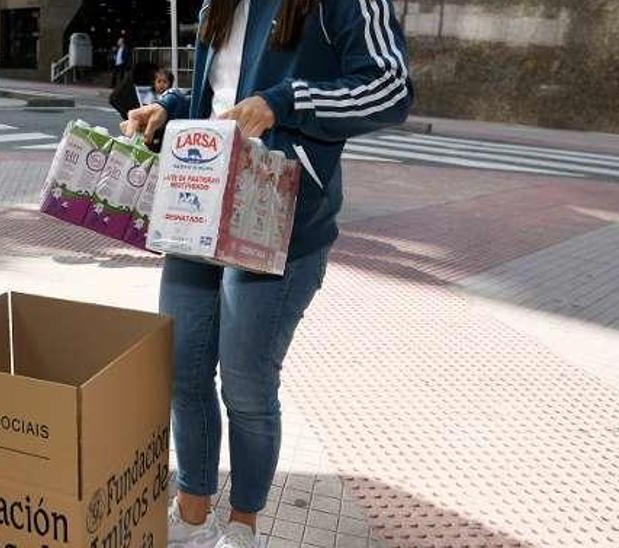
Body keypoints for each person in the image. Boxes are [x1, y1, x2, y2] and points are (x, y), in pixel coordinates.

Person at [122, 0, 411, 546]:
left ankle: (242, 525)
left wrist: (285, 103)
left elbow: (391, 89)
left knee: (247, 388)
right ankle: (192, 516)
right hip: (199, 208)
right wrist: (169, 108)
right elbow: (221, 100)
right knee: (182, 374)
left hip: (280, 221)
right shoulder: (219, 4)